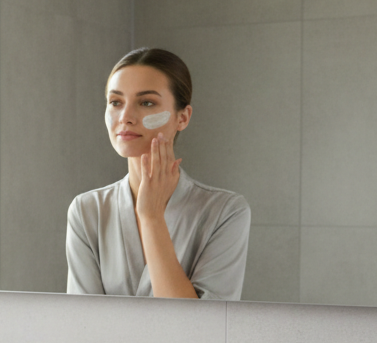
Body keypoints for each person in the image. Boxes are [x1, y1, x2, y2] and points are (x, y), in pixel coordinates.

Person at [66, 47, 250, 300]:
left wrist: (151, 217)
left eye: (146, 103)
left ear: (182, 117)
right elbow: (81, 325)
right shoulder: (87, 210)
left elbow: (202, 329)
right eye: (116, 102)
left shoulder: (225, 212)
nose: (125, 117)